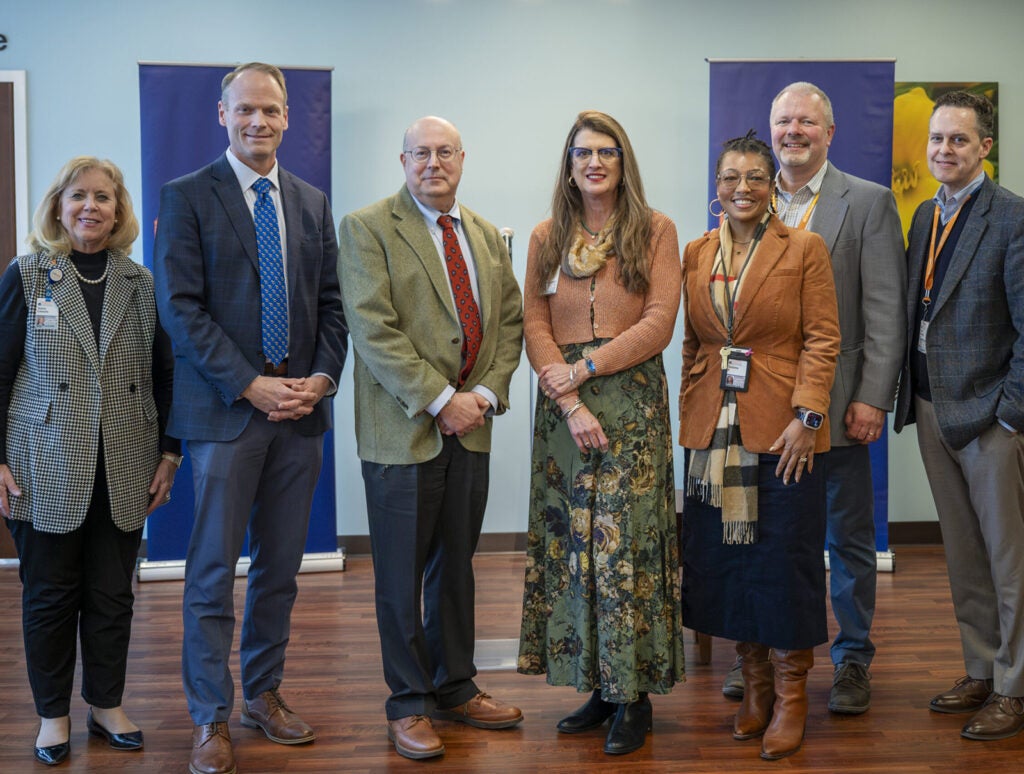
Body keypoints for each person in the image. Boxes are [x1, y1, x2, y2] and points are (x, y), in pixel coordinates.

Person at [154, 62, 348, 774]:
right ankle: (209, 716)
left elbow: (332, 305)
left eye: (270, 110)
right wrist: (250, 385)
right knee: (210, 573)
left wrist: (321, 379)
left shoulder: (310, 201)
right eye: (245, 110)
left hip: (299, 417)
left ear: (289, 116)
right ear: (222, 113)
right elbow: (180, 308)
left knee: (280, 570)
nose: (258, 121)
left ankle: (261, 695)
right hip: (225, 415)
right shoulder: (185, 198)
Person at [337, 116, 524, 761]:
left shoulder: (485, 234)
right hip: (404, 431)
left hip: (471, 429)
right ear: (403, 160)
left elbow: (508, 323)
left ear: (463, 159)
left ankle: (456, 686)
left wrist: (486, 395)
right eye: (421, 153)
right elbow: (373, 329)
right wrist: (442, 400)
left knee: (456, 566)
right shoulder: (366, 228)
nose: (433, 163)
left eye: (445, 152)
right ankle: (409, 702)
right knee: (399, 573)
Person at [719, 82, 906, 715]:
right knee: (768, 538)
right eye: (782, 122)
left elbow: (884, 308)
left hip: (841, 403)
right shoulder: (747, 202)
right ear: (770, 131)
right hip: (761, 410)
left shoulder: (869, 204)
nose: (793, 131)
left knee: (847, 538)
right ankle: (763, 659)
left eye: (806, 122)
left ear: (829, 132)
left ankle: (852, 659)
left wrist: (874, 397)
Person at [516, 110, 685, 756]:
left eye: (607, 152)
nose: (594, 163)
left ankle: (633, 697)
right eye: (583, 152)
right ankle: (596, 681)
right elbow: (533, 319)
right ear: (569, 163)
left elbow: (660, 321)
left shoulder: (655, 231)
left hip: (631, 403)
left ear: (623, 162)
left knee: (625, 551)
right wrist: (565, 392)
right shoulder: (545, 237)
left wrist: (585, 368)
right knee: (574, 549)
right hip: (564, 410)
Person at [0, 156, 179, 766]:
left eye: (104, 197)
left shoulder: (140, 283)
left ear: (119, 210)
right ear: (58, 206)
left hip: (126, 461)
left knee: (111, 596)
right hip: (42, 461)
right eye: (78, 196)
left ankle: (106, 705)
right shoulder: (27, 276)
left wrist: (170, 453)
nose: (91, 208)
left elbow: (163, 376)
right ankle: (52, 716)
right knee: (49, 597)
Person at [679, 133, 840, 760]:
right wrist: (694, 403)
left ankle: (793, 695)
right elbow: (692, 343)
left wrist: (808, 414)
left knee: (782, 563)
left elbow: (824, 338)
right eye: (729, 178)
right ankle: (755, 686)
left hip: (784, 432)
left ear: (771, 184)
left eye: (753, 177)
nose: (741, 188)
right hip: (711, 436)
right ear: (715, 187)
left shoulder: (803, 248)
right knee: (726, 564)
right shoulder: (695, 253)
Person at [893, 90, 1024, 741]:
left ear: (985, 148)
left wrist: (1011, 416)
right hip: (930, 404)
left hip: (990, 417)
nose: (944, 150)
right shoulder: (923, 215)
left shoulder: (1012, 218)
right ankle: (980, 668)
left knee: (1009, 557)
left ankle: (1015, 685)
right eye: (937, 139)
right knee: (964, 554)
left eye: (958, 141)